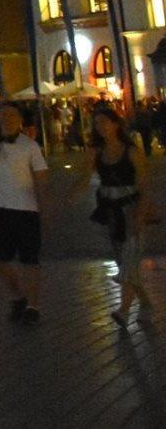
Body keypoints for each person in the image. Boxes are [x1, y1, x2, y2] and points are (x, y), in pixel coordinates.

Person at [0, 103, 50, 325]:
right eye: (3, 116)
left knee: (29, 259)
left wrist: (44, 206)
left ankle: (33, 306)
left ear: (20, 119)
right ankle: (18, 296)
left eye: (11, 115)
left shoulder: (30, 145)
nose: (7, 119)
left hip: (26, 208)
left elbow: (41, 178)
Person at [80, 107, 151, 329]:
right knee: (124, 260)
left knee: (129, 257)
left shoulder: (131, 151)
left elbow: (144, 184)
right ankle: (146, 304)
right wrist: (69, 195)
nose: (100, 127)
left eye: (104, 122)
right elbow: (85, 176)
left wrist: (141, 213)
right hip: (110, 210)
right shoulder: (97, 151)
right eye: (97, 123)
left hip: (130, 208)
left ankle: (123, 310)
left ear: (116, 124)